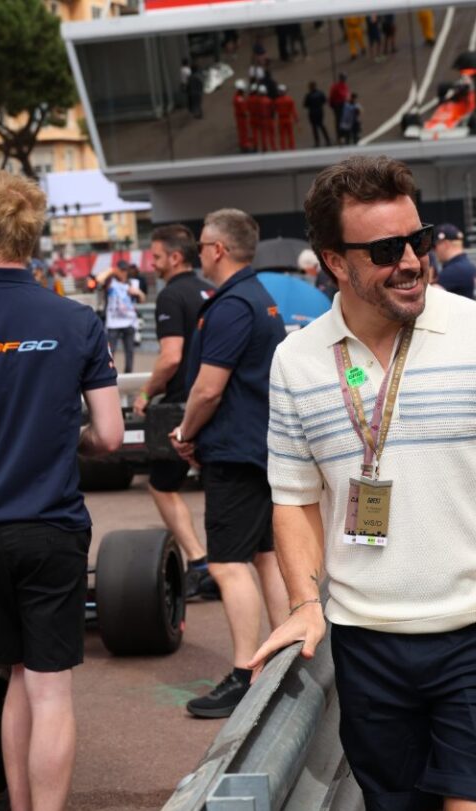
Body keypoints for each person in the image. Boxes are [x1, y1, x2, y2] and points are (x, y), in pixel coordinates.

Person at [251, 156, 476, 811]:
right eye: (387, 250)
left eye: (418, 240)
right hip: (367, 647)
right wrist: (304, 602)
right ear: (334, 262)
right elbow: (294, 498)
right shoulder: (295, 361)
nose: (413, 262)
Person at [0, 171, 123, 811]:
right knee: (46, 687)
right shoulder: (75, 320)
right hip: (49, 528)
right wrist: (65, 440)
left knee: (13, 676)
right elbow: (109, 435)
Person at [171, 209, 289, 718]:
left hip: (237, 452)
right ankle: (285, 661)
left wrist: (185, 432)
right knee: (264, 555)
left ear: (218, 249)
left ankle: (246, 673)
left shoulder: (233, 303)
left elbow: (208, 388)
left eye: (201, 245)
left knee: (225, 563)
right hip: (256, 447)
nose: (198, 252)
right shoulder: (257, 297)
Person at [132, 224, 219, 602]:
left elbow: (170, 358)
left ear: (175, 257)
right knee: (217, 486)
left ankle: (200, 564)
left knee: (161, 485)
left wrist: (145, 392)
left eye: (155, 257)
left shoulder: (170, 295)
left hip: (185, 408)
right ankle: (224, 563)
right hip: (219, 402)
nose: (151, 265)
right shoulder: (211, 289)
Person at [97, 259, 146, 373]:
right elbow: (99, 279)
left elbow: (142, 300)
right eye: (121, 270)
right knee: (110, 351)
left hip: (129, 322)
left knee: (130, 351)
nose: (123, 273)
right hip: (113, 323)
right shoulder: (111, 282)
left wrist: (138, 293)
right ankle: (109, 374)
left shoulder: (132, 283)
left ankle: (128, 374)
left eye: (125, 270)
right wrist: (111, 271)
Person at [433, 222, 476, 298]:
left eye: (435, 246)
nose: (434, 251)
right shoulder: (469, 266)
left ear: (445, 244)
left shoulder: (453, 271)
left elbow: (431, 298)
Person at [303, 81, 331, 147]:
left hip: (312, 112)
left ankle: (317, 142)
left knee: (315, 128)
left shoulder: (309, 95)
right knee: (321, 126)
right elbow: (324, 100)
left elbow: (305, 105)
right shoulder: (320, 93)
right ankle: (327, 140)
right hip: (319, 111)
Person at [274, 85, 299, 150]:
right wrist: (296, 118)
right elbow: (293, 110)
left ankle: (283, 148)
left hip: (281, 119)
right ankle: (292, 147)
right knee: (290, 134)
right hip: (288, 118)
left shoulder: (277, 101)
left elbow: (275, 110)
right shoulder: (290, 99)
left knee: (282, 135)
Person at [328, 73, 350, 143]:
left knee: (343, 121)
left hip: (343, 105)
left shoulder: (344, 86)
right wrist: (332, 104)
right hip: (339, 105)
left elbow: (346, 96)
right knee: (340, 122)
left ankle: (344, 136)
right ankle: (340, 137)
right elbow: (332, 96)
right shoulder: (336, 86)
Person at [233, 79, 252, 152]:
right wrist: (247, 112)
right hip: (241, 117)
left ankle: (245, 144)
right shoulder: (239, 98)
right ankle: (244, 146)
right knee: (243, 131)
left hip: (241, 116)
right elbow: (243, 109)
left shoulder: (239, 97)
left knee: (244, 131)